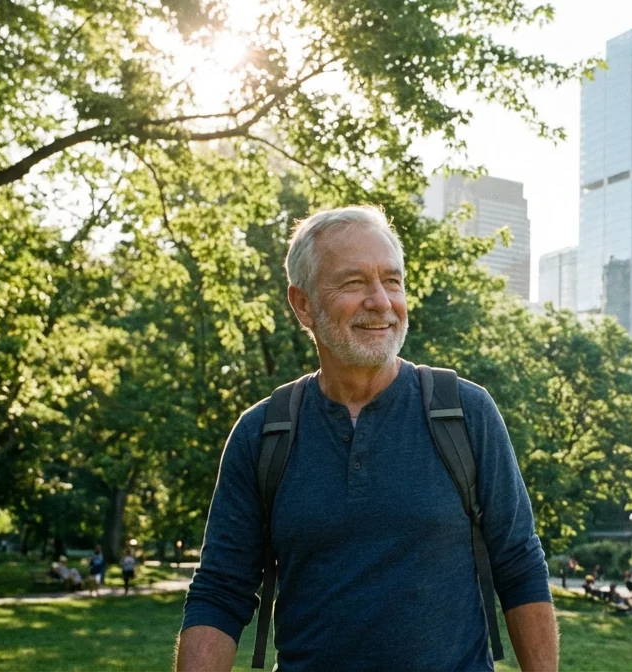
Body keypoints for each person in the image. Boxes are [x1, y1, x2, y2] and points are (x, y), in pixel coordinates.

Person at [176, 206, 558, 671]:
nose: (380, 301)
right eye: (354, 282)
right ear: (303, 304)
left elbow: (519, 566)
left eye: (392, 281)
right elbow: (220, 589)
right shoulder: (262, 433)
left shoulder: (465, 413)